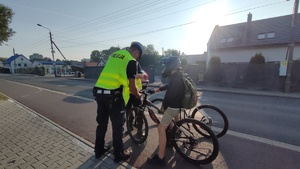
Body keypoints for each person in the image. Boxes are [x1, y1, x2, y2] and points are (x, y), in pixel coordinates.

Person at [93, 41, 144, 163]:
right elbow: (132, 87)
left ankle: (99, 150)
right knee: (118, 127)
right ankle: (119, 154)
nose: (137, 59)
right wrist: (138, 95)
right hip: (114, 97)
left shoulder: (114, 55)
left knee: (102, 124)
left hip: (99, 93)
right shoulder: (131, 60)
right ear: (136, 52)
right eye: (138, 56)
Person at [147, 56, 185, 166]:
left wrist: (164, 107)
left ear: (171, 65)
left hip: (174, 106)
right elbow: (170, 86)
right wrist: (158, 89)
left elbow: (169, 96)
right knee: (173, 120)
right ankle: (175, 134)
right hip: (180, 105)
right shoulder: (179, 74)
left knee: (161, 128)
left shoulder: (175, 77)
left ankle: (160, 157)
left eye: (167, 65)